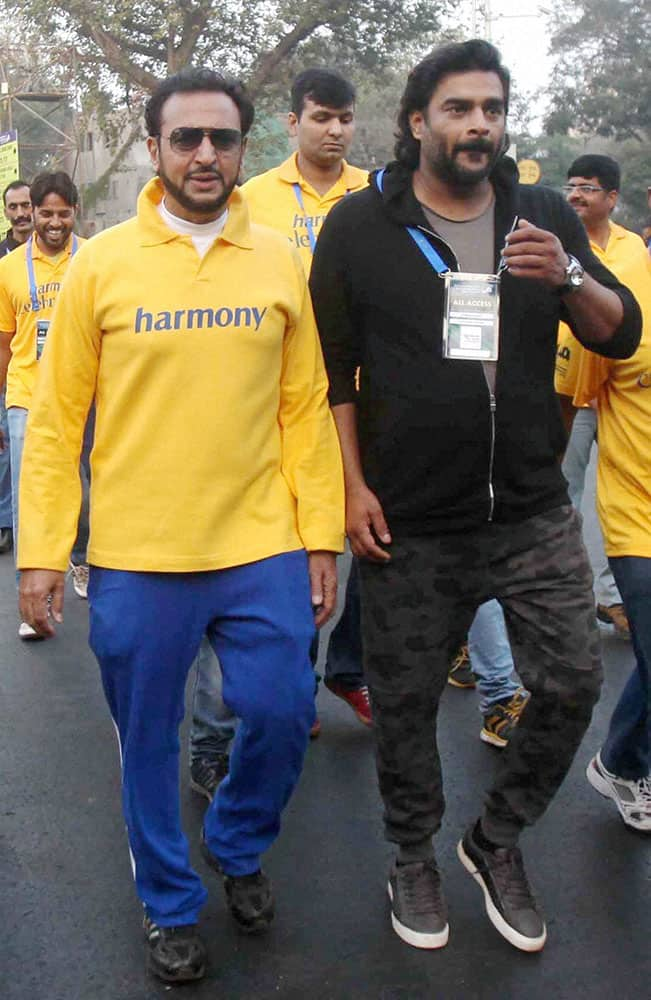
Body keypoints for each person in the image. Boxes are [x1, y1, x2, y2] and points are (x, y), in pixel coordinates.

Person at [310, 39, 641, 953]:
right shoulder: (359, 227)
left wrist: (568, 275)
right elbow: (332, 371)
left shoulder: (540, 216)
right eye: (458, 109)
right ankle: (411, 854)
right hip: (411, 519)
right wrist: (352, 486)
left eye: (491, 110)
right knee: (406, 702)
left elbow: (620, 333)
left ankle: (493, 841)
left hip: (531, 509)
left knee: (573, 682)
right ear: (418, 121)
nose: (478, 126)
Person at [17, 68, 344, 983]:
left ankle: (237, 844)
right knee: (149, 744)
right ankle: (169, 900)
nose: (206, 154)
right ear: (156, 146)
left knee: (280, 713)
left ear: (245, 147)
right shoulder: (103, 263)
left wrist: (318, 536)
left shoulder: (278, 257)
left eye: (223, 139)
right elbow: (54, 421)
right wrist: (41, 554)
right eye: (187, 138)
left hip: (260, 545)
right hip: (136, 555)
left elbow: (303, 405)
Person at [185, 67, 369, 792]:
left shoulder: (376, 196)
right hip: (263, 403)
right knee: (248, 558)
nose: (334, 129)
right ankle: (223, 727)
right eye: (321, 116)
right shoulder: (250, 196)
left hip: (356, 399)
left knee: (347, 552)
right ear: (292, 123)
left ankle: (314, 677)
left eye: (344, 118)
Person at [556, 199, 651, 835]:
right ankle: (624, 762)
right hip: (638, 515)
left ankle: (620, 759)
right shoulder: (619, 294)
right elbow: (567, 402)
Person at [558, 155, 648, 639]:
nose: (575, 194)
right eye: (570, 185)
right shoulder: (554, 243)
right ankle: (565, 594)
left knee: (624, 499)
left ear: (612, 198)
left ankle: (616, 597)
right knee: (561, 494)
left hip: (619, 396)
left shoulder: (635, 251)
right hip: (566, 392)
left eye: (588, 188)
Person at [0, 171, 90, 637]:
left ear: (76, 212)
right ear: (30, 213)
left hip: (86, 397)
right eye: (46, 213)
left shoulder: (94, 257)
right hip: (26, 397)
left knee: (88, 487)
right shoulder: (10, 268)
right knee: (27, 501)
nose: (55, 222)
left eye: (64, 213)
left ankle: (82, 561)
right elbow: (3, 342)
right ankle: (30, 605)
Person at [0, 180, 33, 555]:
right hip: (11, 369)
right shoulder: (2, 261)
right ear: (6, 211)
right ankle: (7, 523)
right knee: (9, 455)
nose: (22, 213)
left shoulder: (68, 255)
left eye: (27, 205)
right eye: (14, 207)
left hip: (56, 378)